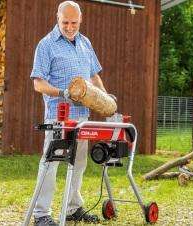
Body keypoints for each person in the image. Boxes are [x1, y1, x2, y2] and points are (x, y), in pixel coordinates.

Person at [30, 1, 111, 225]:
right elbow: (38, 84)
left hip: (82, 118)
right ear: (57, 19)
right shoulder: (46, 45)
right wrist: (63, 92)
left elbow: (94, 77)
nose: (69, 26)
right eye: (65, 22)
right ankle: (41, 214)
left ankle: (73, 208)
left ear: (80, 20)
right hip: (59, 116)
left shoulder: (85, 43)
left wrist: (105, 99)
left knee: (79, 163)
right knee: (50, 163)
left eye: (74, 22)